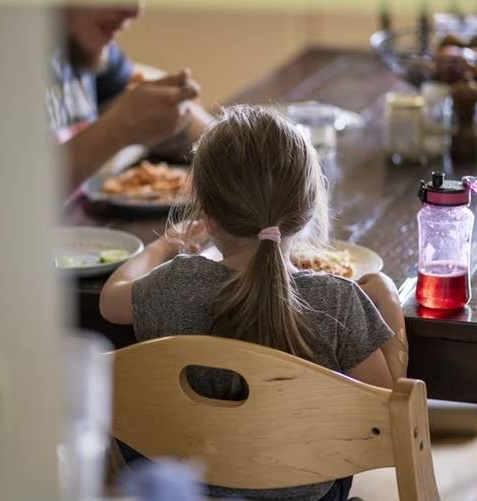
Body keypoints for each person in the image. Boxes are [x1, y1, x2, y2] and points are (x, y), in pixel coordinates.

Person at [100, 105, 409, 501]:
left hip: (185, 491)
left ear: (206, 213)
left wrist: (164, 244)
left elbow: (112, 300)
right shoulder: (339, 302)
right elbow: (387, 412)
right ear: (308, 208)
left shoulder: (172, 284)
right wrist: (385, 296)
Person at [46, 5, 213, 189]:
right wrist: (117, 129)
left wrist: (231, 146)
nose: (135, 10)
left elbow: (157, 110)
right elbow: (16, 189)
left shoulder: (83, 48)